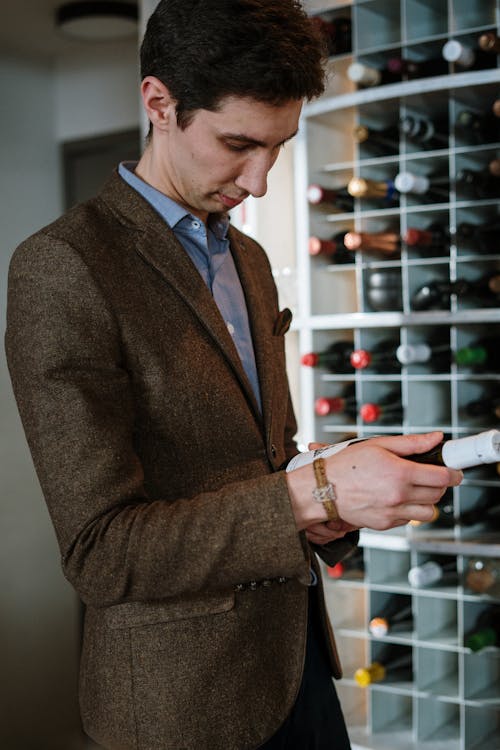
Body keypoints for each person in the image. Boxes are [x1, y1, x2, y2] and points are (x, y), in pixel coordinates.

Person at [5, 1, 463, 748]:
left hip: (301, 666)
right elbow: (102, 552)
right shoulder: (65, 266)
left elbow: (254, 462)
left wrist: (332, 499)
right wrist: (311, 492)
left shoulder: (245, 260)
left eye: (277, 148)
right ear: (160, 103)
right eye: (238, 144)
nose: (259, 182)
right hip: (184, 704)